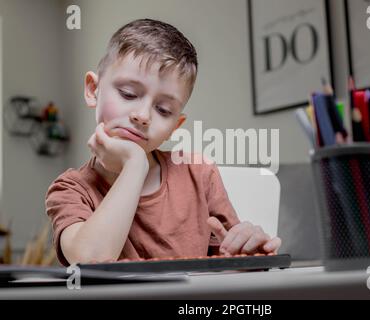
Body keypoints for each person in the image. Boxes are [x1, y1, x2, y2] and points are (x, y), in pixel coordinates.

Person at [45, 19, 281, 266]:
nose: (143, 115)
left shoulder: (198, 173)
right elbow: (90, 259)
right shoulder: (70, 189)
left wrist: (247, 258)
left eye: (164, 109)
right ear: (93, 89)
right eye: (128, 94)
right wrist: (134, 165)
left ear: (174, 128)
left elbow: (227, 264)